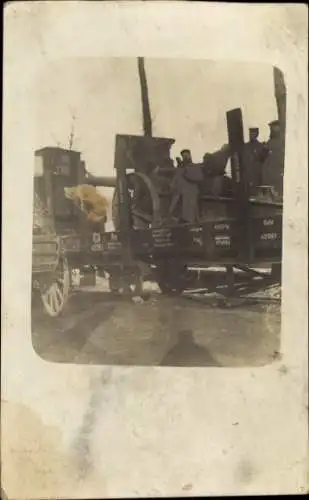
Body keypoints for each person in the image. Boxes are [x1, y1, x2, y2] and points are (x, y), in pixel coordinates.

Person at [261, 120, 284, 198]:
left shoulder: (281, 141)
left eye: (273, 128)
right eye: (271, 128)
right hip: (269, 175)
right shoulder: (270, 141)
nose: (271, 130)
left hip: (277, 174)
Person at [243, 127, 269, 194]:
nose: (251, 135)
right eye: (250, 133)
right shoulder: (245, 146)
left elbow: (264, 160)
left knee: (256, 192)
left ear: (257, 134)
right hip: (247, 175)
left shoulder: (261, 146)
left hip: (256, 174)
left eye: (253, 133)